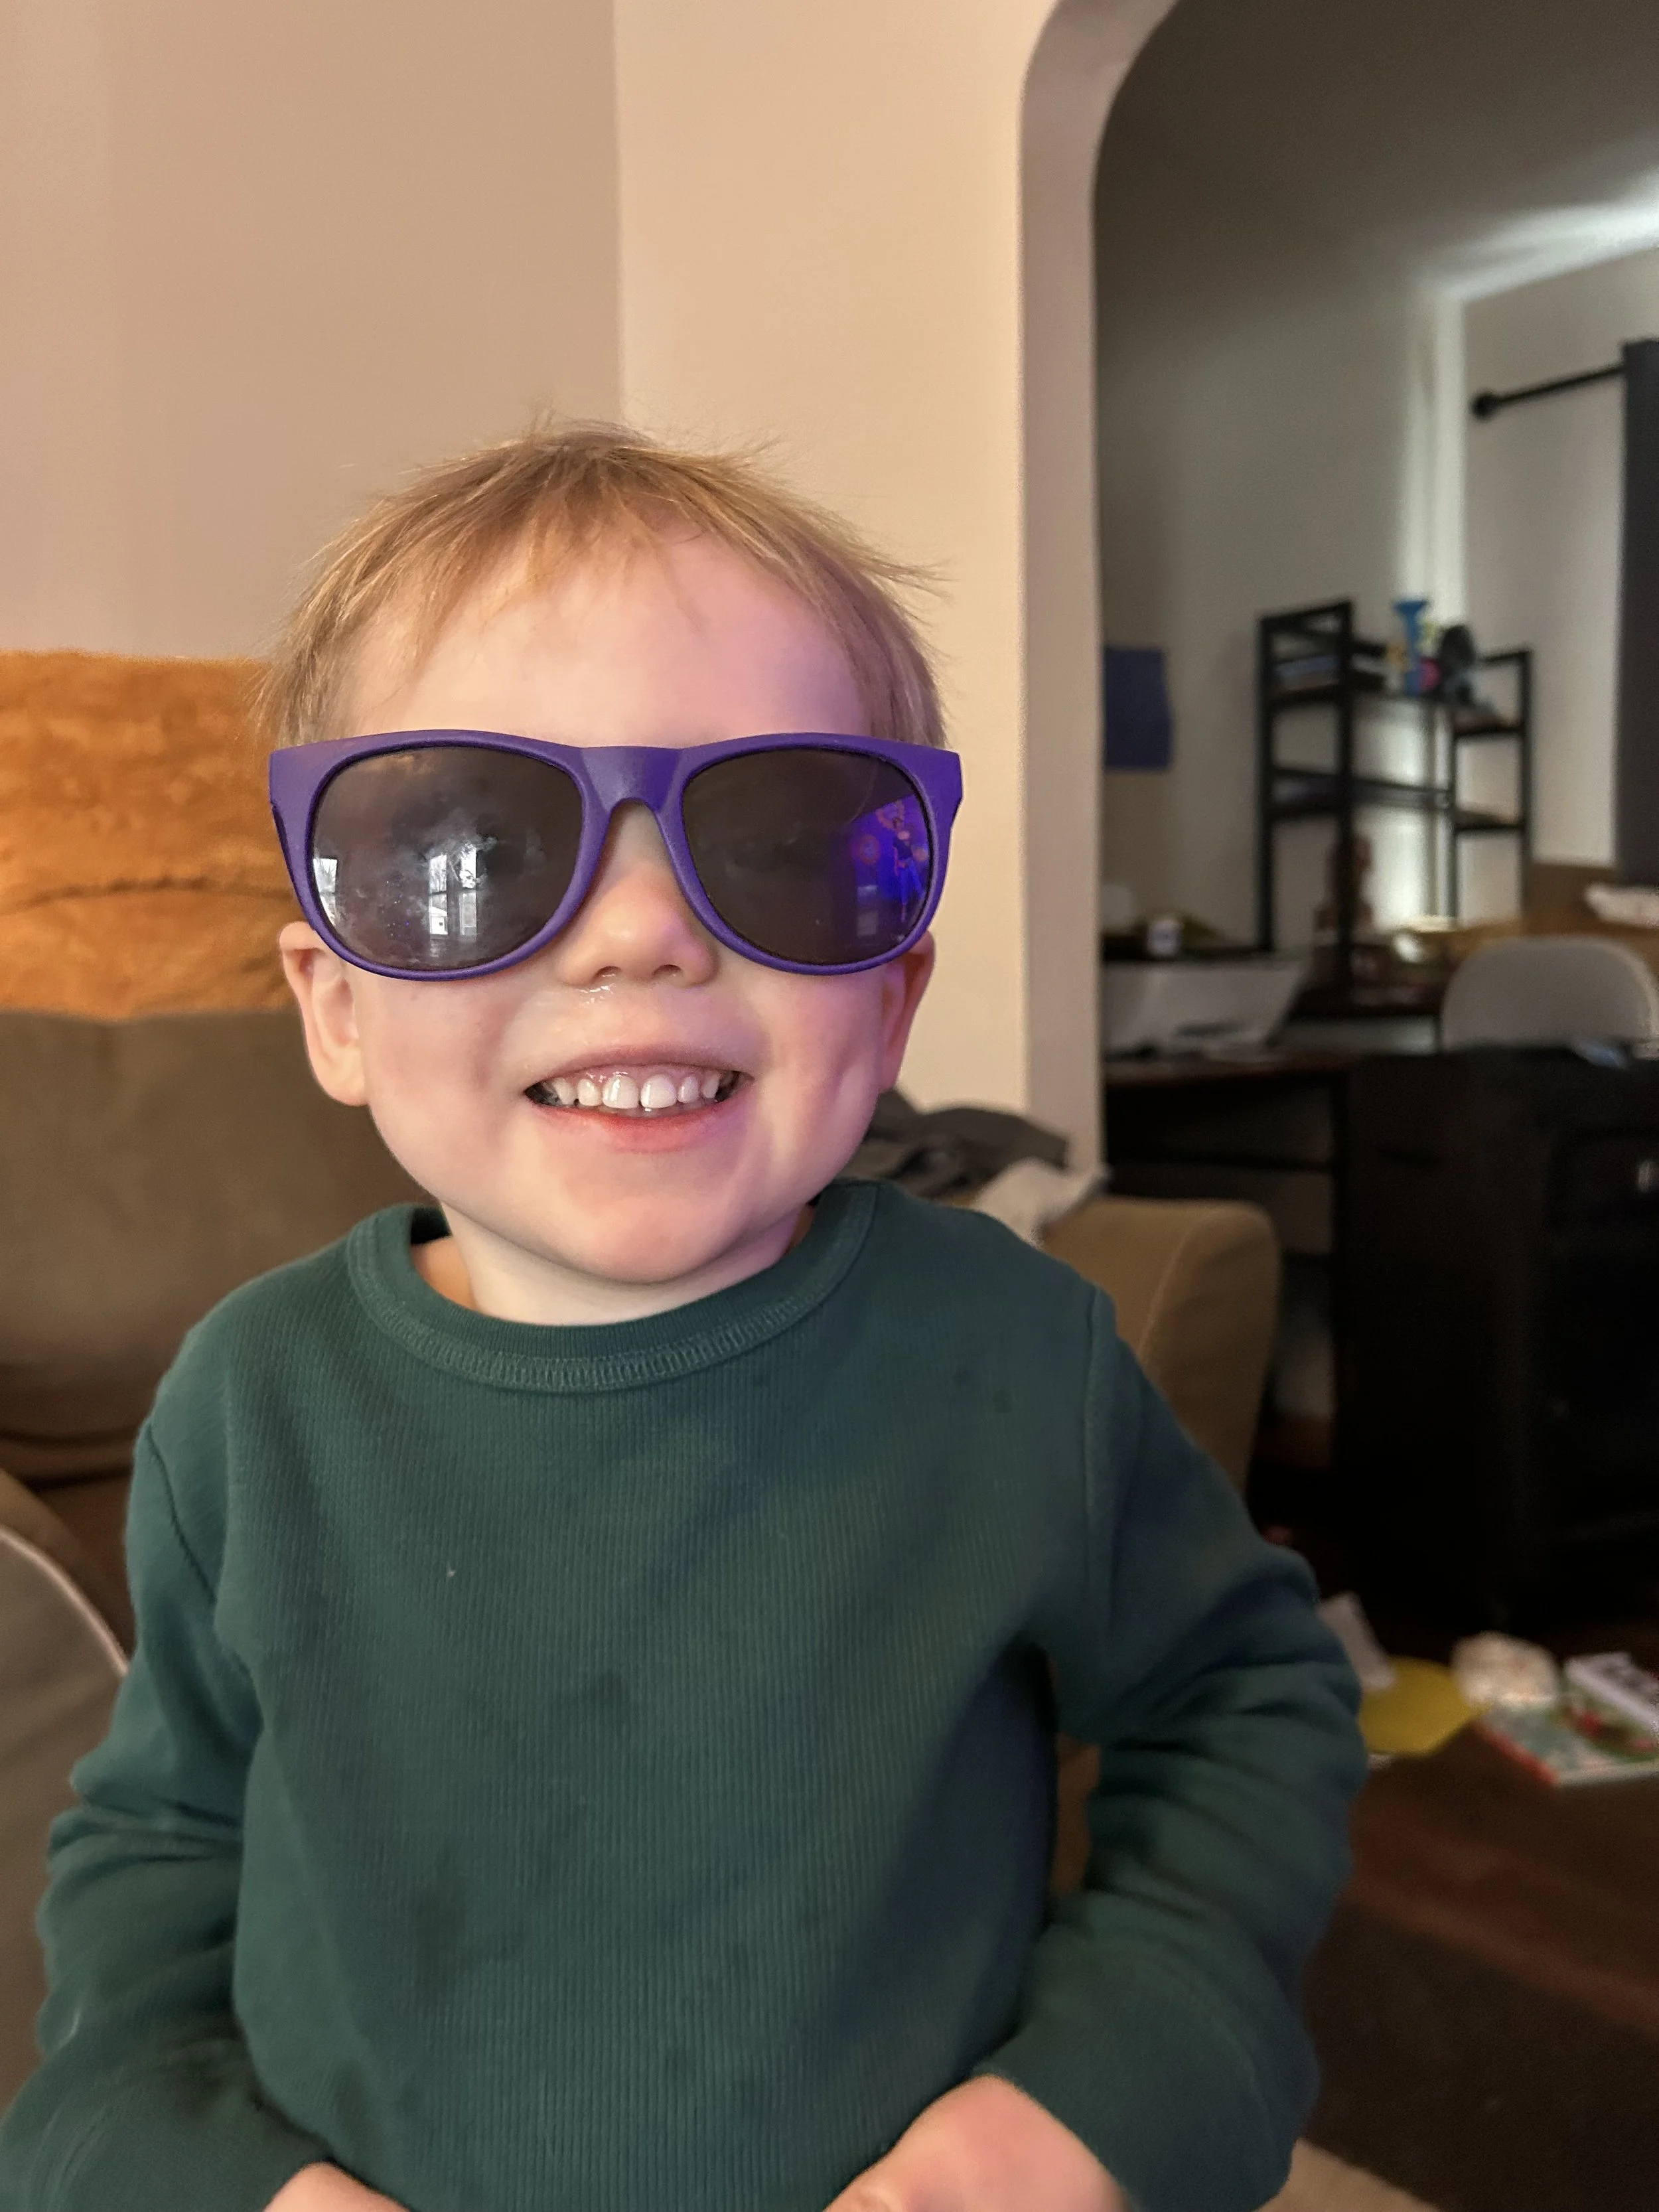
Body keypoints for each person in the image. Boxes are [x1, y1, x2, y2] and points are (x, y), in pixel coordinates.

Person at [0, 426, 1364, 2212]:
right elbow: (160, 1849)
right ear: (333, 1009)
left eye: (781, 844)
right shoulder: (247, 1404)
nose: (639, 932)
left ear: (892, 998)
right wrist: (164, 2153)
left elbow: (1248, 1702)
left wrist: (1103, 2096)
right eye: (478, 845)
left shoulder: (1019, 1360)